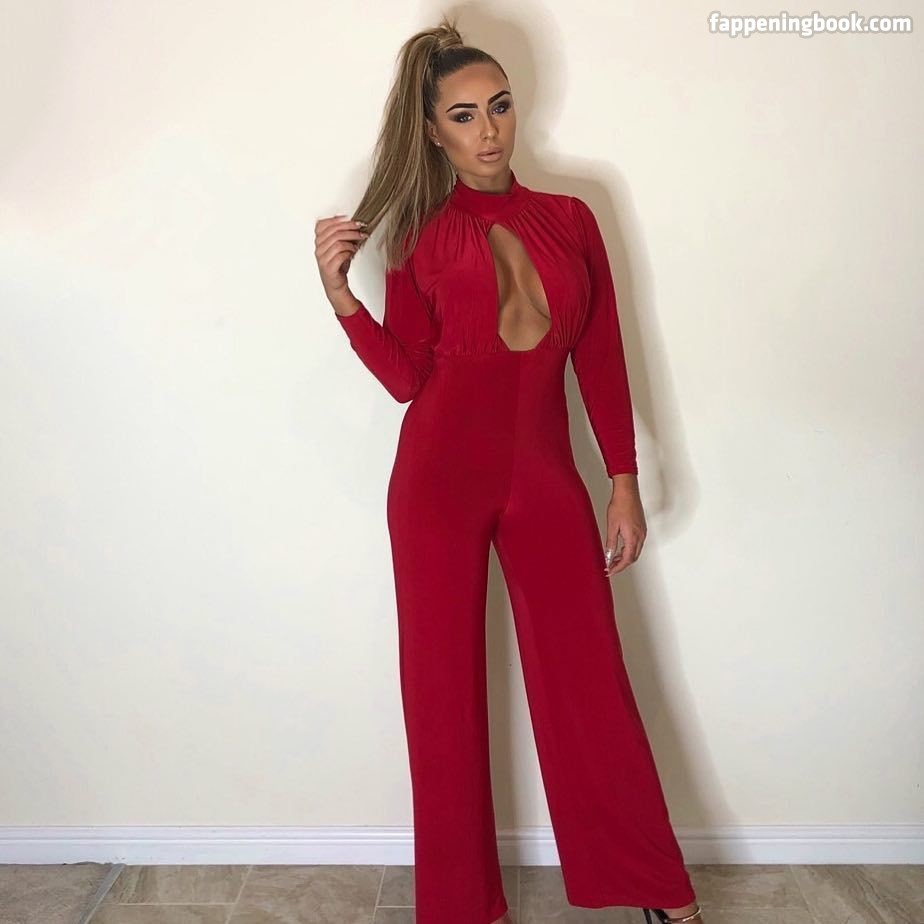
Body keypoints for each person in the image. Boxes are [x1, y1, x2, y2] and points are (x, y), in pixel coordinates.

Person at [314, 16, 704, 924]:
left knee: (590, 685)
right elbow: (409, 378)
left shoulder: (571, 217)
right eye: (463, 116)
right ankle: (460, 909)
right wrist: (342, 300)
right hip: (436, 487)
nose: (488, 130)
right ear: (431, 131)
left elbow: (600, 355)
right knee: (443, 703)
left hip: (543, 479)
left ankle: (654, 887)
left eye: (499, 106)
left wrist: (622, 479)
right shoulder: (417, 233)